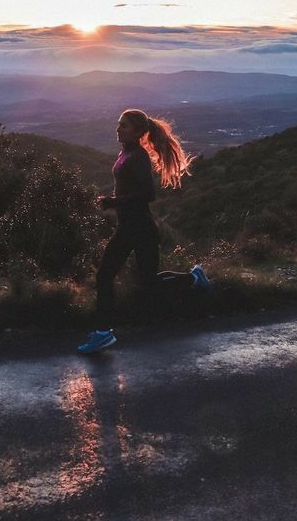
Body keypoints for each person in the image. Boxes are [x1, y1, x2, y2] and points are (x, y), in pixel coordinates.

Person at [78, 108, 210, 353]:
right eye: (118, 124)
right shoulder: (126, 152)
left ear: (138, 132)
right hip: (132, 226)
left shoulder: (138, 156)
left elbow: (148, 194)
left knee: (105, 275)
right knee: (148, 283)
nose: (118, 129)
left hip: (137, 227)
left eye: (124, 126)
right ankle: (193, 277)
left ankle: (103, 332)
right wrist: (113, 200)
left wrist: (113, 201)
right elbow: (129, 187)